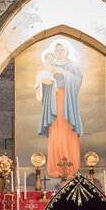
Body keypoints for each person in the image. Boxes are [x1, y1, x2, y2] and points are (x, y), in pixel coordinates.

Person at [36, 38, 83, 179]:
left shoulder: (72, 66)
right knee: (56, 130)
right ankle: (55, 166)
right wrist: (45, 81)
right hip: (54, 100)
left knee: (68, 129)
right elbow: (43, 79)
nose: (60, 52)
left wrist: (63, 73)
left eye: (62, 50)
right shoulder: (50, 65)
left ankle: (71, 167)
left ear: (67, 51)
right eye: (57, 50)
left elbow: (78, 80)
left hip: (68, 101)